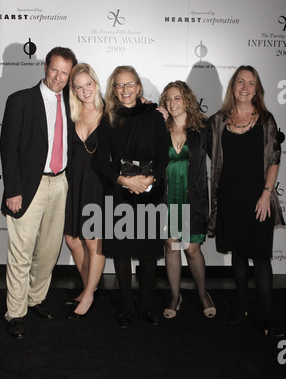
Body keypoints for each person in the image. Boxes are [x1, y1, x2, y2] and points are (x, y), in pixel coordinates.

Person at [0, 46, 77, 339]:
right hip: (28, 186)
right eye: (55, 69)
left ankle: (35, 299)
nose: (58, 77)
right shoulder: (20, 100)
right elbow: (8, 150)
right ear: (45, 67)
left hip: (61, 184)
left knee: (48, 251)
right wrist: (13, 190)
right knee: (21, 253)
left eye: (65, 73)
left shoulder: (72, 101)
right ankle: (15, 312)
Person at [207, 65, 285, 337]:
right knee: (238, 257)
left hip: (258, 200)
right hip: (229, 199)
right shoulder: (218, 121)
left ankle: (268, 316)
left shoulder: (265, 119)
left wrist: (266, 193)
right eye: (240, 81)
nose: (244, 87)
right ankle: (242, 307)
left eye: (250, 83)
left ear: (257, 89)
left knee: (262, 259)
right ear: (233, 86)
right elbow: (188, 127)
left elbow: (274, 159)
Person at [93, 65, 169, 328]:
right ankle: (126, 306)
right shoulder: (108, 118)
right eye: (119, 85)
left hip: (150, 191)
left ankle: (145, 305)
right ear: (114, 89)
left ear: (138, 87)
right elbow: (100, 162)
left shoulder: (154, 115)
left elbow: (163, 156)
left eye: (130, 84)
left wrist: (149, 180)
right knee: (122, 254)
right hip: (119, 192)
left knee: (148, 254)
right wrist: (125, 181)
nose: (125, 90)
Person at [158, 80, 216, 319]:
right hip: (168, 197)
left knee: (192, 249)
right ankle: (175, 295)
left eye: (177, 98)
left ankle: (203, 294)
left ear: (187, 100)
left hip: (193, 198)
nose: (172, 103)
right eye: (168, 99)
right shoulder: (160, 128)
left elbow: (220, 159)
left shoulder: (202, 128)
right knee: (172, 247)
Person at [64, 63, 105, 319]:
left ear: (95, 83)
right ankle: (91, 285)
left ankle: (88, 294)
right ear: (74, 91)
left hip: (98, 184)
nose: (84, 90)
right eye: (78, 87)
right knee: (72, 239)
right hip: (72, 183)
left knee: (92, 240)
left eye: (88, 84)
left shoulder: (110, 112)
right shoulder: (70, 114)